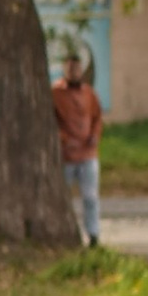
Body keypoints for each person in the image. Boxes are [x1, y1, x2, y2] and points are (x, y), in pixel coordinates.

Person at [52, 50, 104, 246]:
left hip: (88, 154)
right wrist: (64, 139)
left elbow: (97, 118)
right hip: (67, 155)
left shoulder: (89, 93)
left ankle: (93, 235)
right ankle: (62, 233)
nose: (73, 71)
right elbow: (51, 121)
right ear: (64, 68)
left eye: (77, 67)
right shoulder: (55, 93)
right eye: (69, 67)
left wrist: (95, 136)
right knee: (63, 197)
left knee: (90, 197)